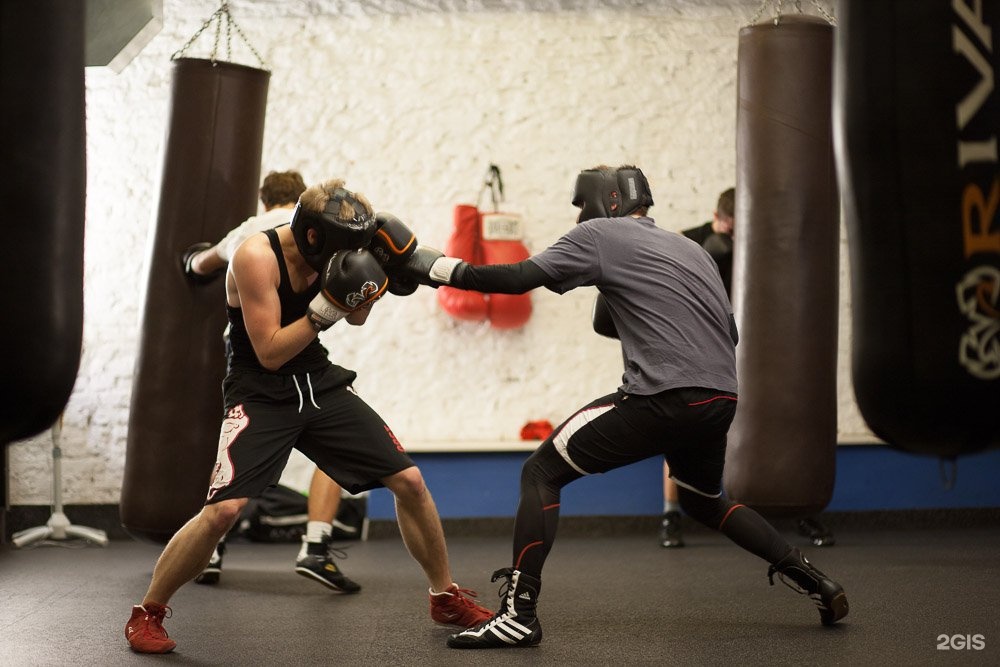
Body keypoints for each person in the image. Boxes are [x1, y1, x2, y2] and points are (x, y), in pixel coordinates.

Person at [399, 164, 848, 649]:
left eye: (580, 204)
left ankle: (518, 615)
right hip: (720, 397)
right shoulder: (691, 250)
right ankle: (814, 580)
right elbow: (720, 332)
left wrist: (431, 266)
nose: (577, 214)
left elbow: (515, 278)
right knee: (702, 499)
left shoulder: (599, 233)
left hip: (663, 395)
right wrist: (609, 287)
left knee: (540, 472)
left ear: (607, 203)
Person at [125, 178, 492, 654]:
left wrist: (369, 283)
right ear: (313, 236)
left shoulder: (337, 249)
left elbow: (354, 316)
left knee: (411, 482)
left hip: (318, 381)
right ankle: (147, 612)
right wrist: (326, 308)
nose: (346, 256)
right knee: (222, 512)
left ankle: (444, 595)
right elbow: (271, 353)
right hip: (260, 390)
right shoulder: (256, 257)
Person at [182, 169, 361, 592]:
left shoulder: (249, 230)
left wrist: (191, 259)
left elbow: (203, 264)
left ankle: (213, 550)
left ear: (265, 202)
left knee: (234, 443)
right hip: (303, 342)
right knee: (335, 443)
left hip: (250, 351)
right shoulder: (321, 235)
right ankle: (316, 545)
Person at [680, 187, 835, 549]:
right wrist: (714, 252)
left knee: (786, 418)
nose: (736, 238)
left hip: (765, 349)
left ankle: (804, 511)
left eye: (740, 231)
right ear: (718, 220)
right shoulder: (690, 244)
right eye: (730, 231)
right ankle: (671, 516)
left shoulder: (761, 241)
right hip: (705, 349)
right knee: (684, 426)